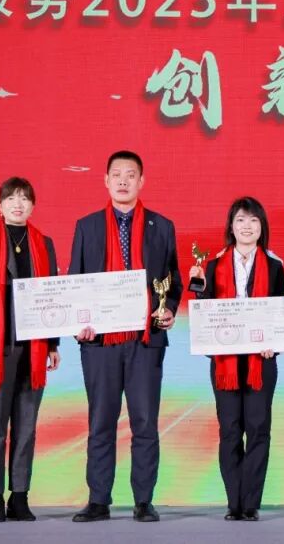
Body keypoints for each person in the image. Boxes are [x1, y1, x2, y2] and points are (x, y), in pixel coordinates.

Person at [69, 151, 183, 524]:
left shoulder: (161, 226)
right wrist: (78, 322)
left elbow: (173, 283)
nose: (123, 181)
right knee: (101, 422)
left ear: (141, 181)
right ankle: (98, 499)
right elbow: (75, 281)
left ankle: (144, 500)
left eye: (130, 175)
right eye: (116, 174)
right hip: (100, 343)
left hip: (144, 341)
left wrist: (169, 310)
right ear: (105, 180)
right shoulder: (87, 226)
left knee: (145, 423)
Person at [0, 177, 60, 522]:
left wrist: (52, 343)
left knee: (26, 425)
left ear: (33, 205)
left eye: (24, 199)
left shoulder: (44, 244)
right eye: (11, 199)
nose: (18, 204)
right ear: (0, 206)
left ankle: (19, 496)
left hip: (33, 348)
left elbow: (52, 296)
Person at [189, 197, 284, 522]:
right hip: (225, 362)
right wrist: (197, 286)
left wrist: (274, 343)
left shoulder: (275, 265)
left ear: (262, 227)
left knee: (258, 430)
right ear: (231, 227)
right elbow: (205, 312)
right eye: (241, 220)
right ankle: (234, 502)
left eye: (253, 221)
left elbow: (281, 312)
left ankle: (251, 503)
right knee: (230, 430)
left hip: (262, 360)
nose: (247, 226)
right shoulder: (213, 265)